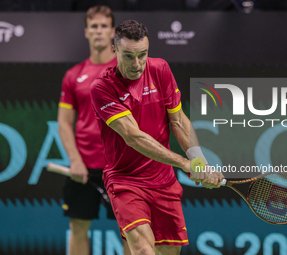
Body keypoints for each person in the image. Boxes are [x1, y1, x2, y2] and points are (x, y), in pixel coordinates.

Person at [90, 20, 224, 255]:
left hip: (164, 182)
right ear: (114, 50)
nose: (137, 63)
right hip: (126, 180)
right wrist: (185, 164)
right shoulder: (102, 88)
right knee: (142, 249)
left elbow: (179, 120)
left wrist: (199, 161)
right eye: (129, 56)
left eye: (143, 55)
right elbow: (133, 137)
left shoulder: (160, 69)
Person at [57, 6, 129, 255]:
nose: (99, 31)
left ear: (112, 32)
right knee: (78, 227)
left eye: (104, 26)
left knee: (130, 231)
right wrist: (75, 161)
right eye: (94, 26)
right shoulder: (73, 76)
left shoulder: (124, 71)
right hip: (84, 167)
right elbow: (64, 122)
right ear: (86, 32)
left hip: (119, 167)